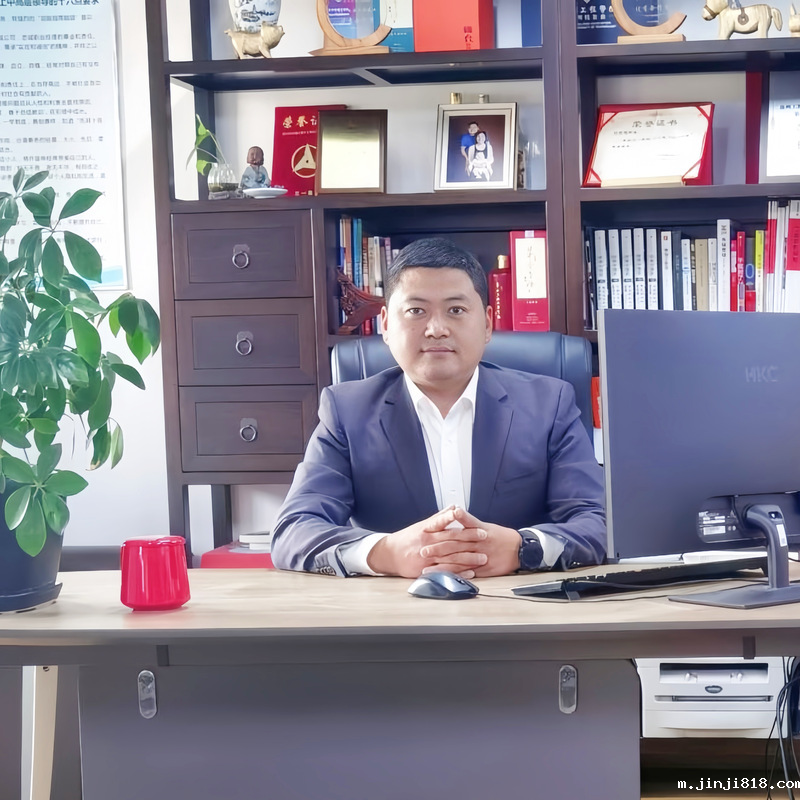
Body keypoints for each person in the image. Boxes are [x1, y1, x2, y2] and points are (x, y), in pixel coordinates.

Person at [271, 238, 606, 578]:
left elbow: (597, 523)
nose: (436, 329)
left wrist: (525, 549)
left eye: (456, 310)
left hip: (521, 601)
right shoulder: (347, 411)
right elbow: (293, 531)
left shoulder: (548, 404)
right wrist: (386, 553)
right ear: (385, 324)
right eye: (416, 311)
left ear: (487, 324)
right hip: (393, 605)